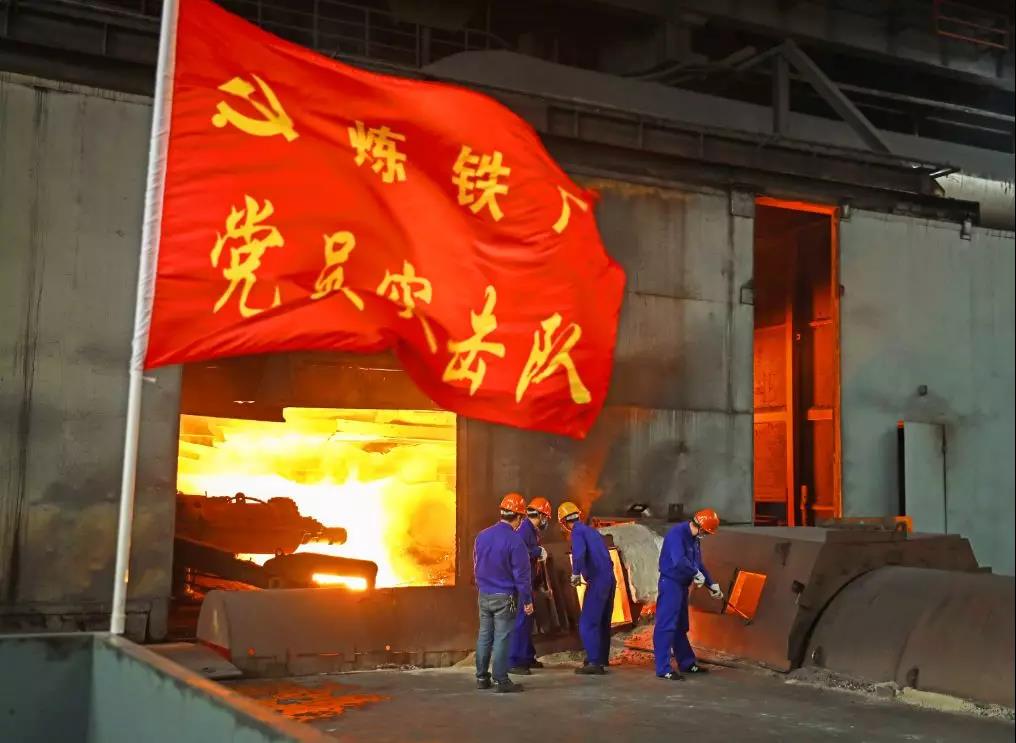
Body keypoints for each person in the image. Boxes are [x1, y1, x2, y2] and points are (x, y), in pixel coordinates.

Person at [473, 492, 534, 693]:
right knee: (502, 638)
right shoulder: (515, 542)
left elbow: (476, 564)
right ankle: (501, 679)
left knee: (484, 636)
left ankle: (482, 677)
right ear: (519, 517)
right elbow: (522, 576)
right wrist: (527, 600)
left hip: (484, 594)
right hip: (504, 597)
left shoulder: (482, 536)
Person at [653, 507, 723, 680]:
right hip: (670, 584)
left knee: (680, 626)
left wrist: (711, 584)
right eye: (706, 532)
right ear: (700, 527)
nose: (705, 536)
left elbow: (698, 563)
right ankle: (663, 669)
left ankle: (687, 663)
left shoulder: (694, 539)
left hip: (682, 585)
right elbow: (679, 561)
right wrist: (695, 573)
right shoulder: (677, 534)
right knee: (666, 625)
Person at [558, 501, 616, 675]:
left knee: (587, 623)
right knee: (603, 621)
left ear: (564, 522)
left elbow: (579, 553)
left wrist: (576, 573)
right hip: (609, 579)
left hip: (598, 581)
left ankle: (594, 662)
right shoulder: (592, 531)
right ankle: (601, 657)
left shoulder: (577, 532)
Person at [508, 497, 551, 675]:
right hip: (521, 584)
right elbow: (519, 552)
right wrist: (537, 551)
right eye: (546, 517)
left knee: (527, 621)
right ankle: (515, 662)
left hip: (528, 582)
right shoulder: (525, 529)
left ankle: (526, 657)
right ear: (540, 515)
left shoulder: (531, 530)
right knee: (521, 621)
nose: (546, 521)